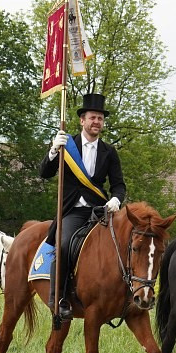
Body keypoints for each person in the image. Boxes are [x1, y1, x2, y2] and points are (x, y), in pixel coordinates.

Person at [40, 93, 126, 322]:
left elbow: (118, 185)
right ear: (82, 120)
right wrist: (52, 152)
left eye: (100, 118)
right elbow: (44, 173)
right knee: (65, 244)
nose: (96, 122)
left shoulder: (109, 152)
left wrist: (116, 199)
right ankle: (59, 297)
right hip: (72, 212)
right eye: (92, 118)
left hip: (100, 212)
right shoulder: (67, 146)